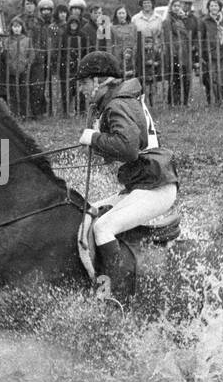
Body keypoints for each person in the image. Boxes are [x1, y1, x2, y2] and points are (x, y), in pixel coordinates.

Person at [74, 50, 179, 301]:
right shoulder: (119, 100)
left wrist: (93, 138)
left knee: (103, 228)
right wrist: (98, 143)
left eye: (84, 83)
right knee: (88, 214)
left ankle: (115, 297)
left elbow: (128, 148)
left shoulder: (117, 104)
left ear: (101, 81)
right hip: (144, 183)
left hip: (155, 186)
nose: (81, 90)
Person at [59, 0, 95, 114]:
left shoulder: (83, 35)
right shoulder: (64, 35)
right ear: (69, 24)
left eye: (75, 23)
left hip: (80, 65)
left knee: (80, 89)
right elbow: (61, 51)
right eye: (71, 23)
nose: (73, 25)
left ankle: (81, 110)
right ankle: (66, 111)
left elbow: (87, 50)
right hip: (67, 66)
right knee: (67, 89)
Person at [198, 0, 223, 106]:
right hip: (210, 54)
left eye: (216, 6)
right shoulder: (204, 21)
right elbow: (201, 39)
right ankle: (211, 100)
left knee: (221, 78)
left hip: (222, 53)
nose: (214, 8)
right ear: (208, 8)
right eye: (211, 6)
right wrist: (202, 54)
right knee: (211, 78)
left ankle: (220, 100)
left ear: (219, 7)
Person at [163, 0, 196, 106]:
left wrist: (185, 19)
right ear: (171, 7)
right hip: (175, 53)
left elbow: (189, 33)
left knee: (186, 78)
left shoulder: (182, 20)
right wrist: (173, 53)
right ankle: (173, 102)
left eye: (178, 6)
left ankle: (185, 102)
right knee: (175, 78)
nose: (177, 8)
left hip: (185, 53)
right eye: (175, 6)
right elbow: (168, 39)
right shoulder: (168, 21)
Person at [29, 0, 59, 117]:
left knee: (53, 87)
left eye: (48, 10)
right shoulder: (36, 24)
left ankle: (51, 111)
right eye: (44, 10)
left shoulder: (53, 25)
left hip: (51, 58)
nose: (46, 12)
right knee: (38, 85)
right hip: (39, 59)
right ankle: (37, 111)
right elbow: (34, 41)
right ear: (40, 11)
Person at [1, 16, 35, 116]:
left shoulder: (27, 40)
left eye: (18, 26)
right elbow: (4, 56)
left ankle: (24, 114)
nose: (16, 28)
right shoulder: (6, 41)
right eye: (14, 26)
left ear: (22, 28)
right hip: (11, 70)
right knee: (12, 93)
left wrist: (27, 64)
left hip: (23, 70)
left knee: (23, 92)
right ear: (11, 28)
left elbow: (31, 55)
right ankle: (15, 114)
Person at [131, 0, 165, 91]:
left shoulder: (158, 18)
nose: (147, 5)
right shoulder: (135, 18)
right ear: (141, 4)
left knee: (153, 74)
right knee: (141, 74)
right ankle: (141, 94)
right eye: (144, 3)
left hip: (154, 50)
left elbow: (161, 35)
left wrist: (159, 48)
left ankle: (153, 96)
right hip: (140, 51)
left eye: (149, 3)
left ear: (152, 4)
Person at [109, 6, 137, 74]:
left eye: (123, 13)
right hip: (117, 54)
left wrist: (133, 52)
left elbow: (136, 41)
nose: (121, 15)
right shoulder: (111, 27)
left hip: (131, 54)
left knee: (130, 74)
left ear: (126, 14)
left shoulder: (133, 26)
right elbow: (109, 43)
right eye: (119, 13)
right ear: (116, 14)